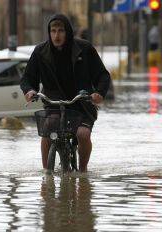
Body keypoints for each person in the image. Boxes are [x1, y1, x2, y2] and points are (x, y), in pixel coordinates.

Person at [20, 14, 111, 172]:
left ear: (67, 32)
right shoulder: (40, 52)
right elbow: (27, 78)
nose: (56, 35)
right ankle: (46, 171)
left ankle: (83, 171)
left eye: (60, 31)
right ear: (49, 33)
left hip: (82, 103)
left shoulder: (84, 49)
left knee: (82, 135)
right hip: (54, 103)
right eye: (53, 31)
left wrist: (99, 93)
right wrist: (29, 90)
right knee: (47, 129)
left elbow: (103, 75)